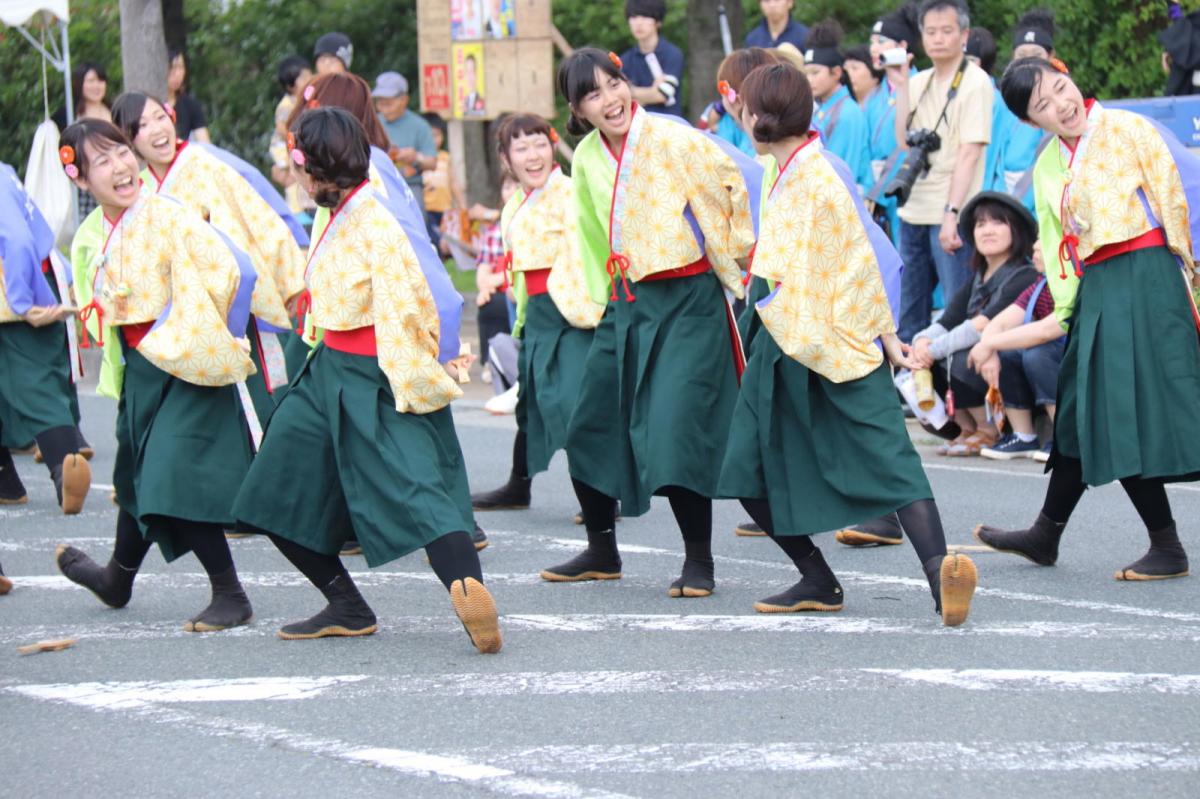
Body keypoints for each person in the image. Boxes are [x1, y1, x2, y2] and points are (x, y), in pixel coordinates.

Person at [231, 107, 501, 652]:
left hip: (375, 370)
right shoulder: (339, 208)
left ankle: (467, 590)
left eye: (302, 167)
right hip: (325, 365)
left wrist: (418, 375)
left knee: (419, 487)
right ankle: (346, 605)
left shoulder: (373, 218)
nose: (301, 179)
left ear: (317, 170)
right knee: (273, 490)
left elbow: (410, 306)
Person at [720, 62, 977, 626]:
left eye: (745, 104)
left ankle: (901, 575)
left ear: (759, 117)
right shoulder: (787, 168)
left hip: (817, 334)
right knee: (879, 455)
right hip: (809, 332)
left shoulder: (814, 173)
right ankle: (918, 575)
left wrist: (886, 336)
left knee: (750, 465)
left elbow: (862, 261)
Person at [974, 56, 1200, 582]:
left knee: (1125, 410)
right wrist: (1072, 305)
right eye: (1044, 105)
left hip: (1147, 276)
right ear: (1033, 121)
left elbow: (1176, 200)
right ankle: (1047, 532)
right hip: (1098, 287)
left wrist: (1186, 278)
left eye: (1061, 87)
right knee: (1081, 409)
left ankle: (1161, 546)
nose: (1062, 104)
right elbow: (1056, 245)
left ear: (1072, 77)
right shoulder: (1049, 164)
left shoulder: (1129, 127)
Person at [544, 49, 755, 597]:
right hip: (627, 301)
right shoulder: (587, 155)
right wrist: (597, 303)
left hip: (687, 298)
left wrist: (736, 263)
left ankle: (699, 561)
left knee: (675, 427)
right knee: (589, 424)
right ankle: (601, 550)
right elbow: (591, 232)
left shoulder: (672, 136)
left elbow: (726, 187)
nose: (611, 98)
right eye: (593, 93)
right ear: (578, 108)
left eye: (614, 83)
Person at [54, 119, 257, 632]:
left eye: (121, 152)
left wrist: (188, 328)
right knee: (140, 477)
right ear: (82, 181)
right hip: (142, 367)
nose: (121, 166)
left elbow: (232, 272)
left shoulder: (168, 215)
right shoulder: (97, 231)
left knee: (169, 472)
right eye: (102, 162)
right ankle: (117, 579)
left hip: (183, 361)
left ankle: (230, 593)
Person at [110, 92, 307, 426]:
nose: (157, 129)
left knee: (256, 401)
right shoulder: (140, 190)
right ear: (129, 140)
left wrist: (290, 279)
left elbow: (256, 217)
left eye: (160, 117)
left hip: (233, 303)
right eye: (142, 125)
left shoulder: (204, 164)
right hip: (183, 315)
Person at [470, 116, 605, 512]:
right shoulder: (514, 204)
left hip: (574, 312)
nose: (533, 156)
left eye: (540, 144)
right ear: (506, 159)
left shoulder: (571, 193)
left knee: (573, 405)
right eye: (521, 148)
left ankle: (602, 499)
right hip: (537, 313)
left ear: (553, 146)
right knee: (530, 402)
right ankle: (518, 484)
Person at [887, 0, 992, 343]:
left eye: (947, 31)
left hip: (952, 213)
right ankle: (916, 392)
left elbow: (969, 153)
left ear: (964, 35)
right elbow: (903, 141)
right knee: (910, 312)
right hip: (914, 210)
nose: (938, 39)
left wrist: (953, 214)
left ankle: (959, 391)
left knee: (957, 308)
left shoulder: (976, 82)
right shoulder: (920, 82)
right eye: (930, 32)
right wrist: (901, 85)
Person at [911, 191, 1039, 455]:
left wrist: (931, 350)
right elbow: (947, 320)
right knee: (926, 359)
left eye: (997, 223)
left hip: (1016, 365)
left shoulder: (1023, 274)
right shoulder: (978, 276)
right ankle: (965, 428)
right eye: (981, 224)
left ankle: (989, 429)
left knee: (960, 357)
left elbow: (981, 325)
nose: (987, 231)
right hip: (988, 361)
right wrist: (920, 342)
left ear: (1016, 231)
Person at [0, 161, 91, 514]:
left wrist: (24, 302)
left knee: (33, 381)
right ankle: (9, 480)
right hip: (30, 280)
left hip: (19, 291)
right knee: (34, 380)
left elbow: (19, 239)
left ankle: (63, 466)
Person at [969, 240, 1065, 463]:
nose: (1036, 247)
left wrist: (989, 344)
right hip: (1057, 356)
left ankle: (1065, 437)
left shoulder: (1072, 282)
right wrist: (990, 347)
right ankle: (1023, 435)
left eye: (1045, 240)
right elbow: (1000, 323)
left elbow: (1045, 331)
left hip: (1082, 362)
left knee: (1037, 353)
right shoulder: (1040, 284)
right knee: (1009, 355)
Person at [863, 3, 920, 245]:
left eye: (881, 41)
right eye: (872, 42)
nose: (874, 48)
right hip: (874, 189)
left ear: (902, 46)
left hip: (906, 187)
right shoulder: (874, 96)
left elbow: (908, 143)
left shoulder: (918, 84)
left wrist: (878, 191)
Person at [805, 20, 871, 195]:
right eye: (806, 73)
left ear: (836, 72)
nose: (809, 80)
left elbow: (842, 170)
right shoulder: (823, 108)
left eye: (815, 73)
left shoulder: (847, 113)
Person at [372, 72, 438, 209]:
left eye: (389, 103)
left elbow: (432, 162)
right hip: (378, 185)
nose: (384, 108)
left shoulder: (419, 125)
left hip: (410, 185)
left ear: (404, 100)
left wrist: (415, 157)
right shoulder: (373, 123)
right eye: (380, 103)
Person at [620, 1, 685, 117]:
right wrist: (652, 91)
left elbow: (663, 94)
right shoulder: (624, 60)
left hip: (670, 125)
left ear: (658, 22)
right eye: (634, 17)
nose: (638, 23)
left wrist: (631, 90)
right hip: (638, 127)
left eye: (645, 16)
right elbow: (621, 98)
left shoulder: (672, 54)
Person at [269, 55, 316, 216]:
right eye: (303, 77)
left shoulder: (308, 100)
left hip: (297, 146)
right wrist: (295, 137)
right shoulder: (286, 105)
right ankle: (295, 211)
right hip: (283, 147)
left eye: (310, 74)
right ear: (290, 85)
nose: (309, 79)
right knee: (292, 177)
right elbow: (281, 128)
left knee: (300, 175)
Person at [421, 114, 466, 249]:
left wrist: (462, 205)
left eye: (437, 135)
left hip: (444, 209)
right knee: (431, 240)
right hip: (426, 209)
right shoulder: (420, 160)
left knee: (445, 242)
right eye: (430, 136)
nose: (433, 140)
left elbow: (453, 182)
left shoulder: (445, 158)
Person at [166, 50, 210, 143]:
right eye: (172, 67)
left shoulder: (190, 105)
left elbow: (205, 143)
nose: (178, 74)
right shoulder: (150, 105)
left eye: (181, 67)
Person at [52, 61, 111, 129]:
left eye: (100, 80)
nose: (96, 86)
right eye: (91, 81)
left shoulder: (116, 111)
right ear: (79, 84)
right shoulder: (65, 115)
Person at [843, 44, 883, 111]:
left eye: (854, 68)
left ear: (875, 74)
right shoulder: (843, 108)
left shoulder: (887, 107)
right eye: (845, 69)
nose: (848, 73)